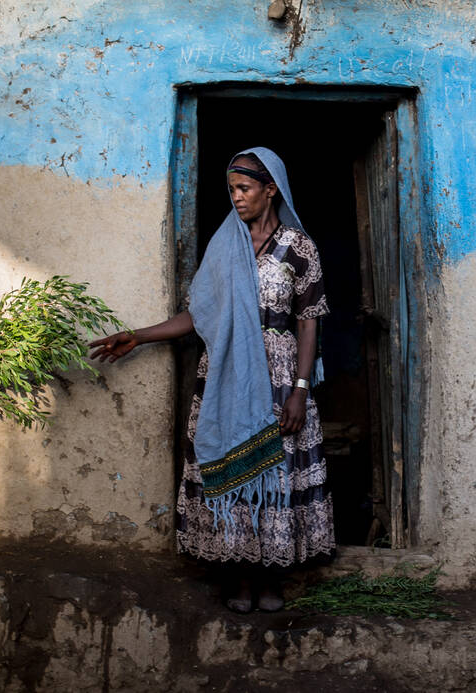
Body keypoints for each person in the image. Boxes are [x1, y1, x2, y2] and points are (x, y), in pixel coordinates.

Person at [90, 148, 333, 612]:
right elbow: (197, 315)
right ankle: (238, 576)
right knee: (231, 464)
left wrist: (300, 391)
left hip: (280, 376)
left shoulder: (299, 250)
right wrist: (138, 336)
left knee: (275, 473)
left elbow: (308, 323)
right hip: (226, 373)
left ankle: (271, 578)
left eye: (244, 189)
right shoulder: (226, 245)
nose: (236, 198)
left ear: (271, 189)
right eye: (232, 190)